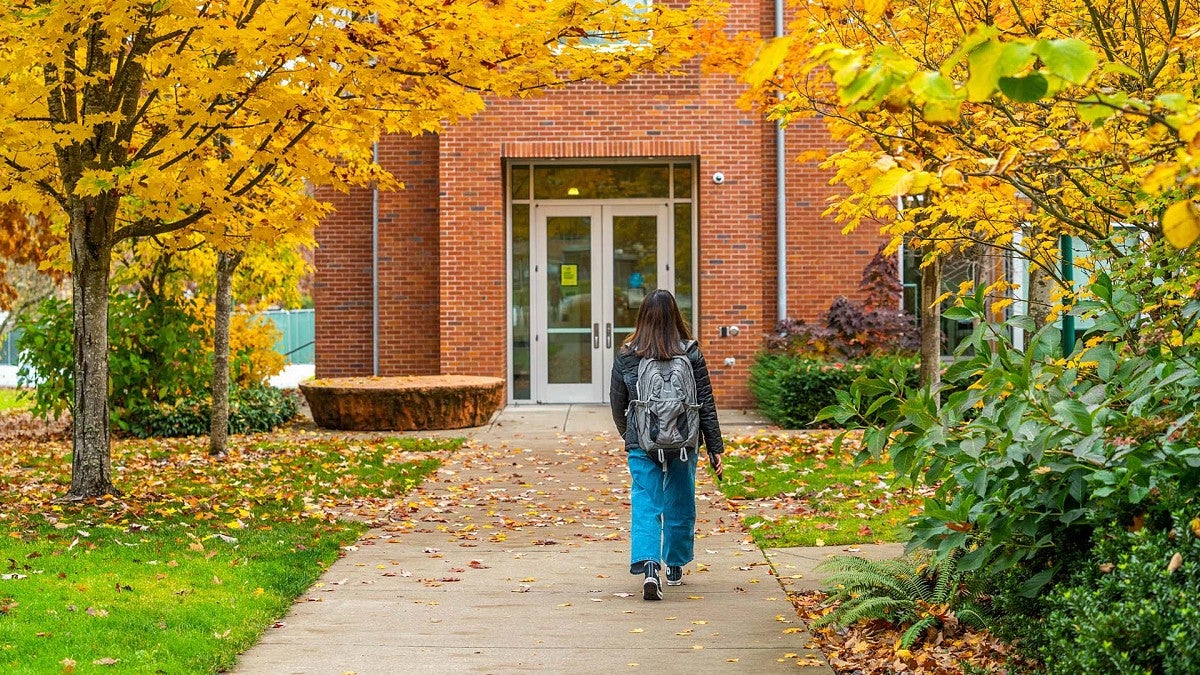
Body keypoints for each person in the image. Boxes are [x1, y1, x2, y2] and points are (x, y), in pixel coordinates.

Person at [609, 289, 724, 601]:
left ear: (642, 316)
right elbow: (705, 403)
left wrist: (632, 436)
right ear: (676, 315)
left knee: (646, 502)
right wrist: (715, 448)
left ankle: (649, 567)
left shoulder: (627, 354)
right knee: (680, 498)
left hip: (642, 441)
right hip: (685, 440)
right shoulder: (690, 352)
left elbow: (617, 403)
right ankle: (674, 566)